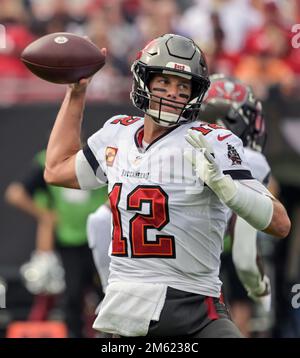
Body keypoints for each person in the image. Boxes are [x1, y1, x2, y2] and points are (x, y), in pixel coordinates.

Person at [44, 33, 291, 337]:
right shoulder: (117, 135)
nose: (173, 93)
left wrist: (230, 190)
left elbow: (280, 223)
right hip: (128, 309)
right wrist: (76, 93)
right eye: (164, 82)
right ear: (144, 81)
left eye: (183, 86)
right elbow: (56, 169)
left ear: (194, 94)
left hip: (196, 307)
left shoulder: (211, 141)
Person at [199, 74, 274, 336]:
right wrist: (259, 287)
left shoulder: (167, 144)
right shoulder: (249, 158)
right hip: (206, 260)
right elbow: (244, 256)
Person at [5, 150, 107, 337]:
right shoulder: (46, 162)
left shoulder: (96, 155)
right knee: (71, 294)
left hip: (100, 237)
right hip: (66, 242)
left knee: (106, 292)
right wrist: (45, 217)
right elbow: (15, 193)